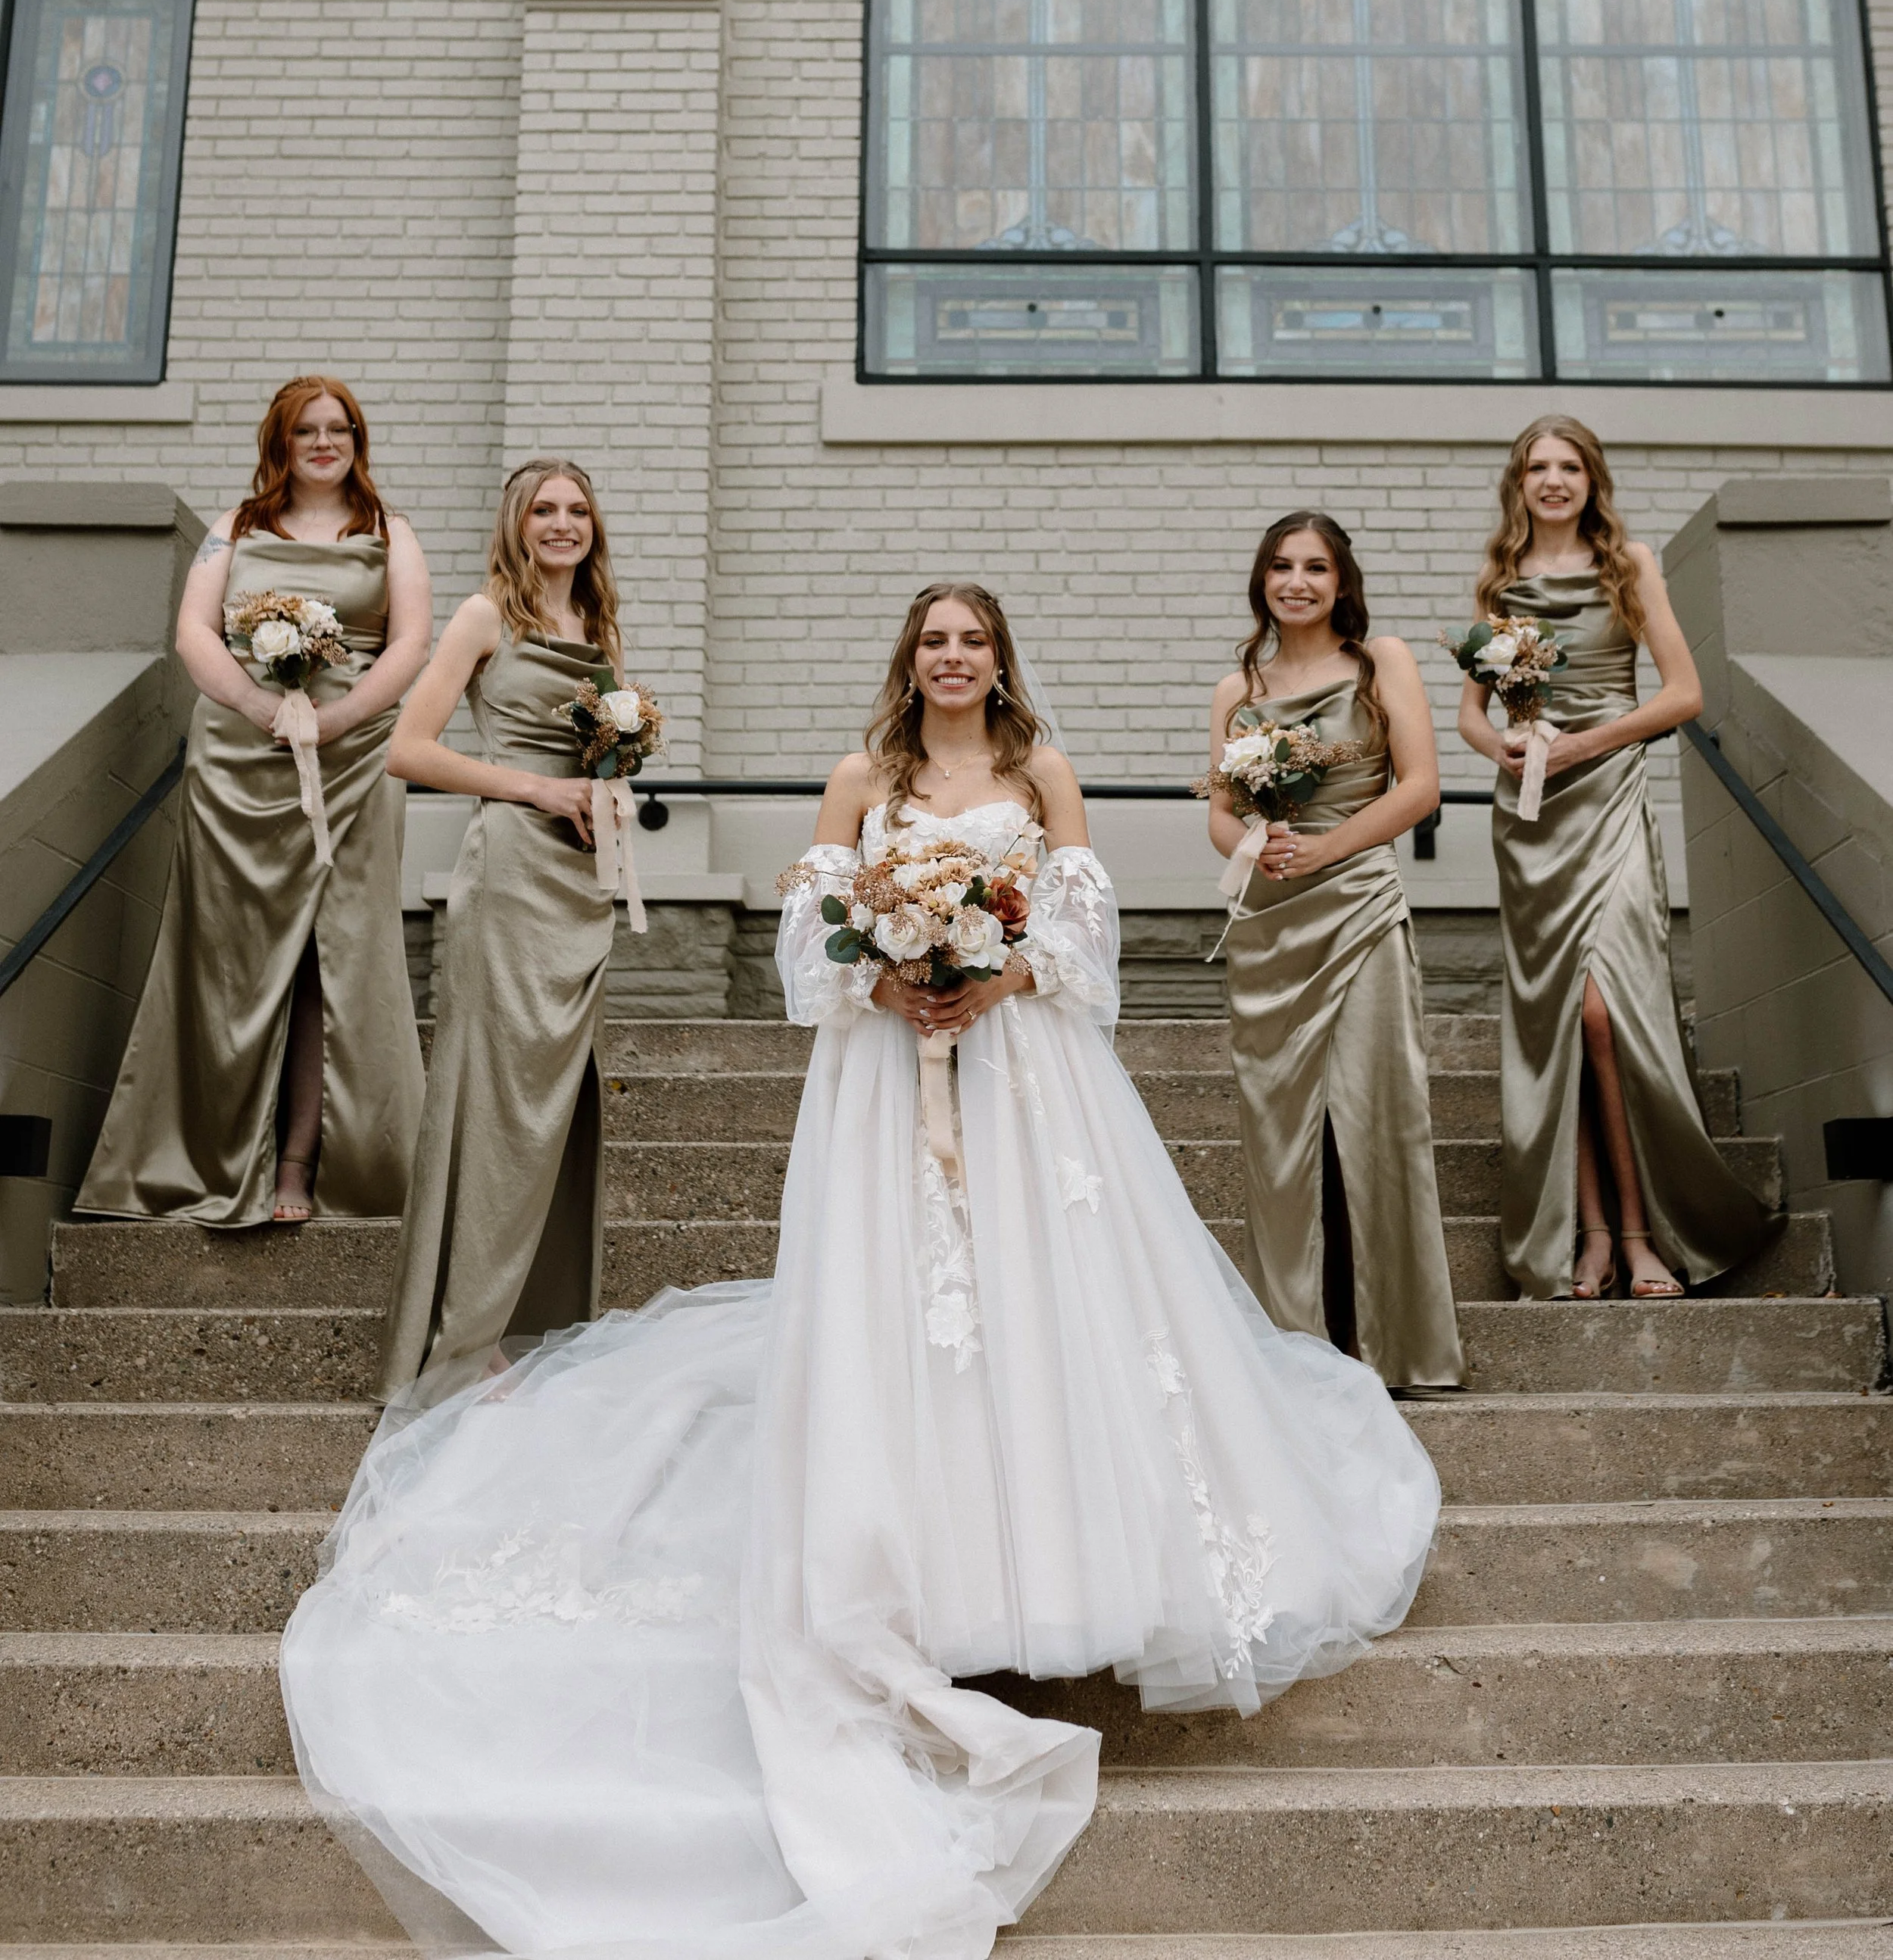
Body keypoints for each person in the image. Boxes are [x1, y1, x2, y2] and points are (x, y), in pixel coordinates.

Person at [279, 582, 1438, 1960]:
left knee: (1040, 1317)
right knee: (906, 1327)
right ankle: (921, 1575)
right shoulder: (859, 775)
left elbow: (1084, 925)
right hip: (888, 1081)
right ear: (913, 661)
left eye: (975, 641)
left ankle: (1056, 1570)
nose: (955, 659)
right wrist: (888, 974)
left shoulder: (1041, 770)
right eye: (934, 641)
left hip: (1024, 1080)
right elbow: (810, 925)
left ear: (1001, 660)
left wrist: (993, 975)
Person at [77, 376, 430, 1228]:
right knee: (225, 954)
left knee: (330, 956)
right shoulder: (236, 530)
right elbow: (194, 632)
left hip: (350, 765)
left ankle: (302, 1166)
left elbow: (414, 640)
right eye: (305, 429)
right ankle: (206, 1155)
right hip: (242, 759)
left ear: (357, 439)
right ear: (280, 440)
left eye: (338, 429)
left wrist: (337, 715)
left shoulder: (389, 532)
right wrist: (258, 705)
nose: (323, 442)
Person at [1459, 416, 1779, 1300]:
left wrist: (1581, 745)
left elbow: (1682, 694)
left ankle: (1644, 1236)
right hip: (1530, 817)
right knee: (1562, 1023)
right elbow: (1469, 716)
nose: (1552, 481)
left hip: (1605, 799)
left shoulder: (1628, 564)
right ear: (1517, 484)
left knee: (1606, 1018)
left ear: (1591, 480)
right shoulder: (1500, 583)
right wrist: (1510, 752)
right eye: (1536, 467)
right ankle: (1591, 1238)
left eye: (1568, 467)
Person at [377, 458, 633, 1409]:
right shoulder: (490, 615)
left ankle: (532, 1313)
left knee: (554, 1109)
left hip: (578, 880)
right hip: (511, 873)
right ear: (518, 526)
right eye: (543, 511)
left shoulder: (596, 629)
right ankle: (464, 1336)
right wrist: (535, 786)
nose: (561, 524)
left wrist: (606, 781)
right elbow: (409, 747)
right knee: (494, 1100)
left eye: (576, 510)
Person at [1206, 513, 1461, 1394]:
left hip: (1355, 904)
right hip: (1270, 922)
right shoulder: (1237, 686)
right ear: (1261, 579)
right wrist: (1257, 843)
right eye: (1280, 566)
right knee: (1280, 1131)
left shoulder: (1379, 661)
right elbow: (1218, 813)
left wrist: (1326, 847)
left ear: (1340, 580)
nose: (1297, 582)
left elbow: (1421, 786)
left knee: (1375, 1108)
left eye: (1315, 567)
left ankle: (1397, 1344)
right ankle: (1295, 1342)